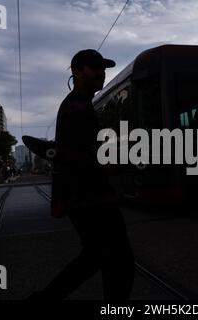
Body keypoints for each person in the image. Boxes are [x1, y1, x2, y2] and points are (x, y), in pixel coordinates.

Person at [29, 49, 135, 300]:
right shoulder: (77, 107)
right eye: (94, 67)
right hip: (91, 198)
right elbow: (81, 156)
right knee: (119, 262)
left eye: (103, 68)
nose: (101, 72)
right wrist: (113, 165)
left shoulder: (80, 104)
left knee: (97, 258)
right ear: (77, 71)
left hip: (85, 197)